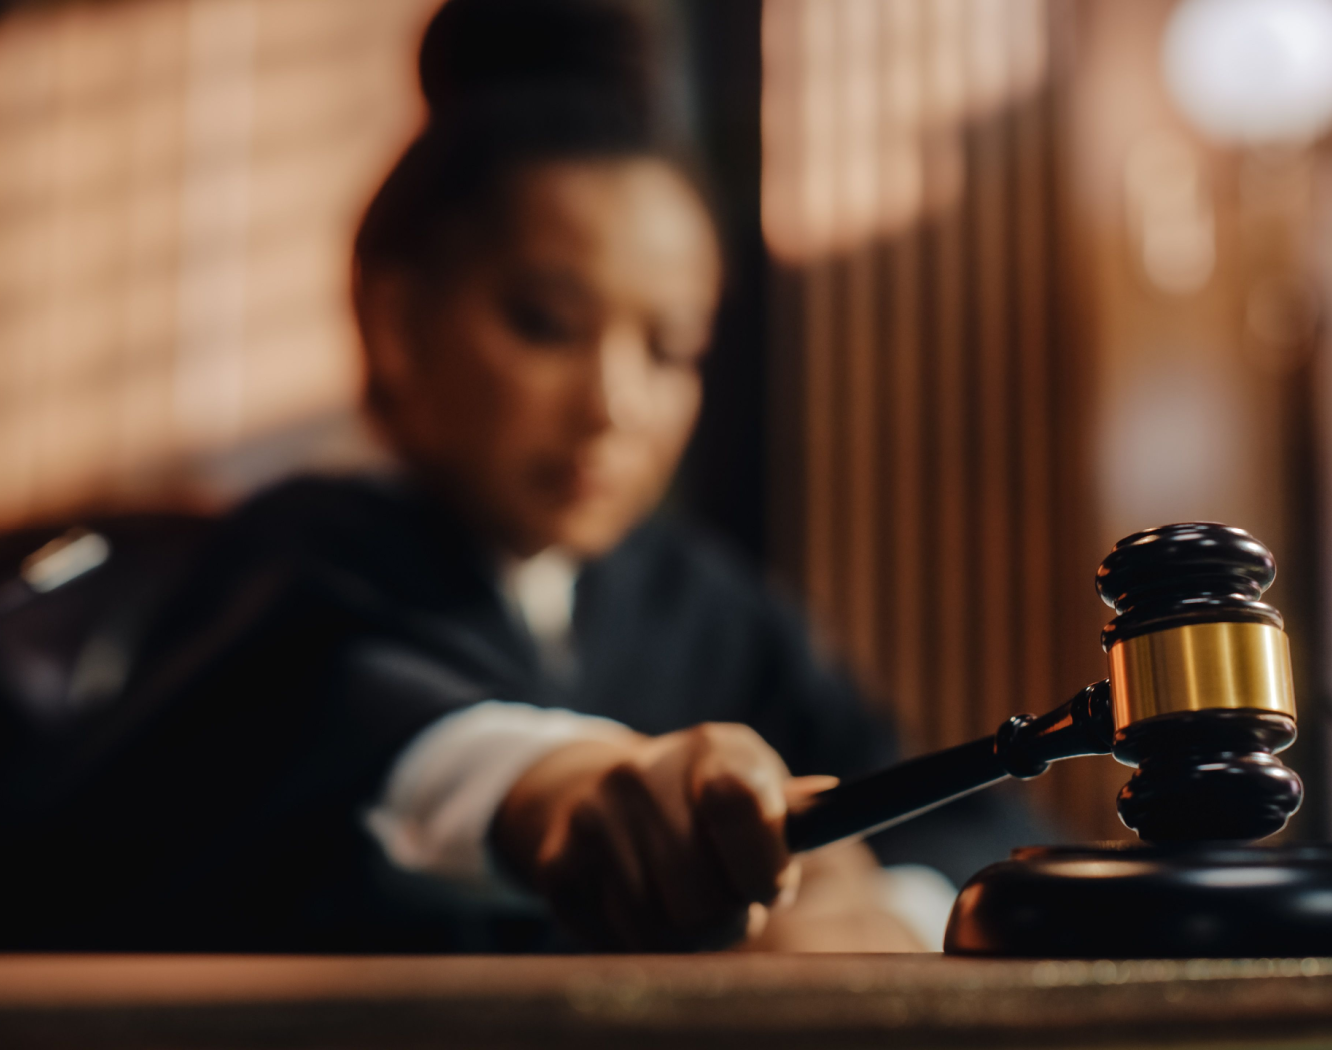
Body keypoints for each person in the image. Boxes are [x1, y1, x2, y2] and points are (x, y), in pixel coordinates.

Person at [0, 0, 1040, 953]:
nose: (612, 402)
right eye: (546, 325)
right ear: (397, 320)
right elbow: (372, 730)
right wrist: (580, 794)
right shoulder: (290, 562)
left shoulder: (701, 602)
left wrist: (888, 917)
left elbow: (976, 822)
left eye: (668, 349)